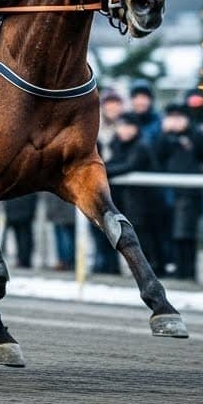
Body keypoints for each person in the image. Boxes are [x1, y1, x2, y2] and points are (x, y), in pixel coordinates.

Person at [151, 103, 203, 280]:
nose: (175, 121)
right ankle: (177, 271)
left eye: (179, 117)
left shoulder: (197, 135)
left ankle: (188, 274)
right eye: (171, 117)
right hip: (168, 193)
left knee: (186, 235)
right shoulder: (163, 137)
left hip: (190, 193)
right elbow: (155, 157)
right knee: (172, 234)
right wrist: (164, 134)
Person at [106, 112, 158, 274]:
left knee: (145, 236)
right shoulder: (117, 144)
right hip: (127, 200)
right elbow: (115, 163)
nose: (125, 130)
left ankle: (150, 270)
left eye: (129, 126)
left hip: (146, 201)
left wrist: (102, 171)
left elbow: (129, 166)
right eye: (122, 126)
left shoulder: (142, 146)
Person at [89, 89, 126, 275]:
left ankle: (114, 267)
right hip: (98, 186)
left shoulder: (127, 126)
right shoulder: (93, 126)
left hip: (119, 187)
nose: (112, 108)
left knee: (118, 228)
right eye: (109, 104)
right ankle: (102, 264)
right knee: (98, 227)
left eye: (116, 104)